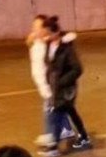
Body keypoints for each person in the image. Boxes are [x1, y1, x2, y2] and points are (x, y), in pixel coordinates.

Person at [39, 16, 91, 157]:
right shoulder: (49, 44)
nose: (45, 35)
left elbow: (77, 69)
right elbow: (49, 63)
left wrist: (62, 81)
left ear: (55, 32)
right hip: (56, 87)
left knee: (56, 113)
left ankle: (53, 146)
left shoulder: (66, 48)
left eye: (47, 33)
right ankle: (84, 136)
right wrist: (49, 79)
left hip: (67, 89)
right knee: (71, 112)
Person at [27, 14, 74, 148]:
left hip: (50, 85)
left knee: (49, 110)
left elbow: (64, 39)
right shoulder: (36, 42)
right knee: (57, 109)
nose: (35, 29)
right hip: (42, 83)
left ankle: (50, 139)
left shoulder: (49, 43)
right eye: (34, 26)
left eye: (38, 27)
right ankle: (66, 129)